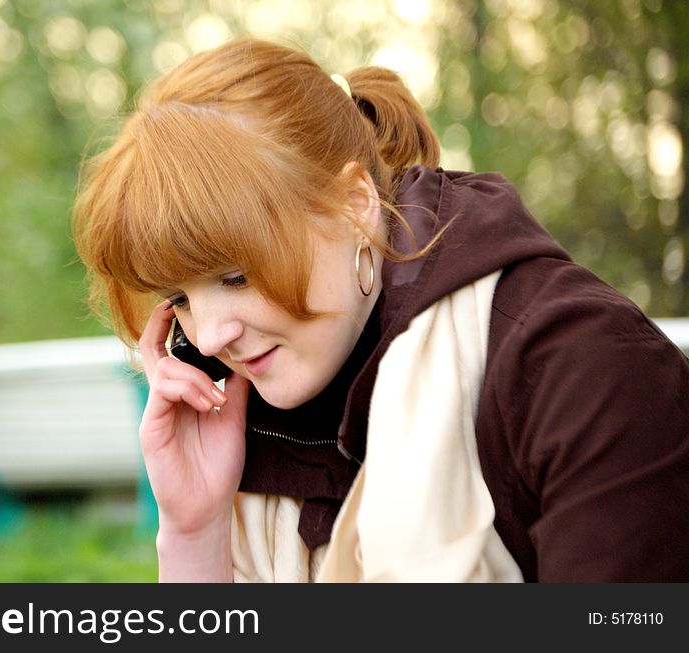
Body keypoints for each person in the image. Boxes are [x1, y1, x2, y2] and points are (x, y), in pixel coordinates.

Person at [72, 38, 689, 582]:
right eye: (179, 298)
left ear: (353, 205)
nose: (207, 339)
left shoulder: (581, 365)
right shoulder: (245, 415)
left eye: (235, 275)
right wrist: (193, 533)